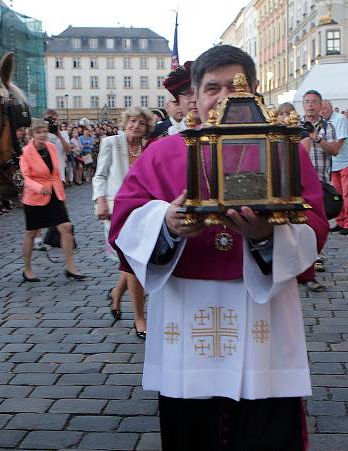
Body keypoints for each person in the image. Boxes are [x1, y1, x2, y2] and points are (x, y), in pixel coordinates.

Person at [109, 44, 328, 449]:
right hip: (186, 310)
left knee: (265, 428)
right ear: (195, 94)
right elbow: (124, 219)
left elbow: (314, 222)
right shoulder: (163, 153)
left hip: (261, 308)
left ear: (256, 90)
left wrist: (266, 235)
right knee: (192, 431)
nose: (224, 96)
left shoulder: (283, 149)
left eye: (235, 86)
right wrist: (167, 225)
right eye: (213, 88)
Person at [93, 106, 156, 339]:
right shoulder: (111, 143)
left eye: (140, 123)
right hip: (115, 210)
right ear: (125, 122)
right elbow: (100, 175)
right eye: (132, 121)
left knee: (134, 259)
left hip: (141, 211)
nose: (135, 126)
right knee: (132, 259)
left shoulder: (147, 148)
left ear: (146, 127)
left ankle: (116, 293)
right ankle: (140, 318)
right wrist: (100, 201)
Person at [20, 124, 85, 282]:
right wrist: (39, 187)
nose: (42, 135)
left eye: (44, 131)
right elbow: (26, 177)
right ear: (32, 135)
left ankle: (70, 267)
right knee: (32, 232)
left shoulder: (51, 147)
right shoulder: (26, 153)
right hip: (34, 197)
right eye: (38, 132)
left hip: (54, 194)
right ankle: (27, 269)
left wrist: (61, 193)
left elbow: (55, 172)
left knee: (66, 227)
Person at [300, 90, 339, 287]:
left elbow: (334, 150)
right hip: (298, 183)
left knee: (320, 221)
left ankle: (318, 256)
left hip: (321, 181)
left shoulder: (328, 126)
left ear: (321, 104)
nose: (310, 105)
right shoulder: (294, 125)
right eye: (307, 102)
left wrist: (316, 138)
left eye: (314, 102)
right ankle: (305, 264)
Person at [323, 99, 348, 236]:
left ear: (330, 108)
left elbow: (339, 142)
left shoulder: (340, 119)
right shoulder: (323, 122)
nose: (321, 111)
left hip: (346, 162)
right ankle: (340, 220)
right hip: (334, 163)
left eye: (324, 108)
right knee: (337, 195)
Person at [44, 109, 70, 183]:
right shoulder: (41, 134)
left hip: (59, 175)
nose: (52, 121)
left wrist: (59, 135)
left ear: (58, 120)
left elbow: (68, 151)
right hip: (44, 176)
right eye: (49, 119)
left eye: (54, 119)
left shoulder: (64, 134)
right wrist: (45, 129)